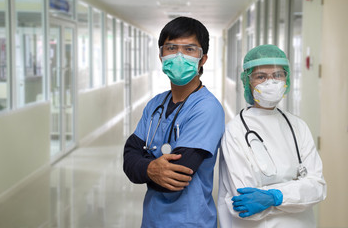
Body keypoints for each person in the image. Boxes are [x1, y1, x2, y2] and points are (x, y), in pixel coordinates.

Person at [123, 16, 225, 228]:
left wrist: (142, 166)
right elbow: (128, 158)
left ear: (203, 59)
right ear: (161, 55)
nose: (179, 56)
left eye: (189, 49)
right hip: (152, 219)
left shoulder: (207, 108)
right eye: (171, 48)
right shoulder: (155, 104)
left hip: (190, 221)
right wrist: (151, 168)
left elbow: (176, 177)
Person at [218, 44, 327, 228]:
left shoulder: (298, 126)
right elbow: (244, 204)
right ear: (247, 81)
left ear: (287, 79)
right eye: (261, 76)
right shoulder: (235, 131)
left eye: (277, 75)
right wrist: (295, 193)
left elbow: (318, 188)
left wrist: (274, 197)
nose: (271, 82)